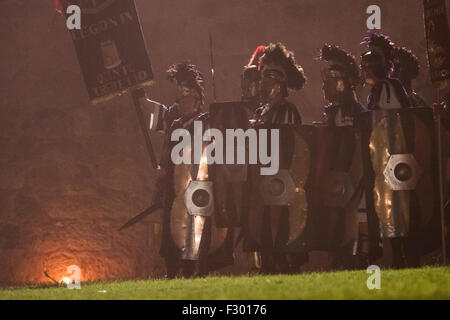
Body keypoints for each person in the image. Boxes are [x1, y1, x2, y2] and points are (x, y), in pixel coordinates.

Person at [246, 43, 307, 274]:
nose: (261, 82)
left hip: (281, 186)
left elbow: (289, 152)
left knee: (281, 239)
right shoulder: (263, 111)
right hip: (263, 184)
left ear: (277, 81)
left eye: (265, 76)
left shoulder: (286, 110)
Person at [312, 44, 366, 269]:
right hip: (333, 183)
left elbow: (353, 152)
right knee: (334, 237)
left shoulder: (353, 113)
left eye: (330, 80)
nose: (325, 86)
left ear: (343, 82)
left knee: (349, 236)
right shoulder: (333, 113)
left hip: (351, 184)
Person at [360, 33, 411, 110]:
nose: (362, 72)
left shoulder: (386, 86)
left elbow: (391, 117)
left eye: (363, 67)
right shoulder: (378, 89)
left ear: (371, 69)